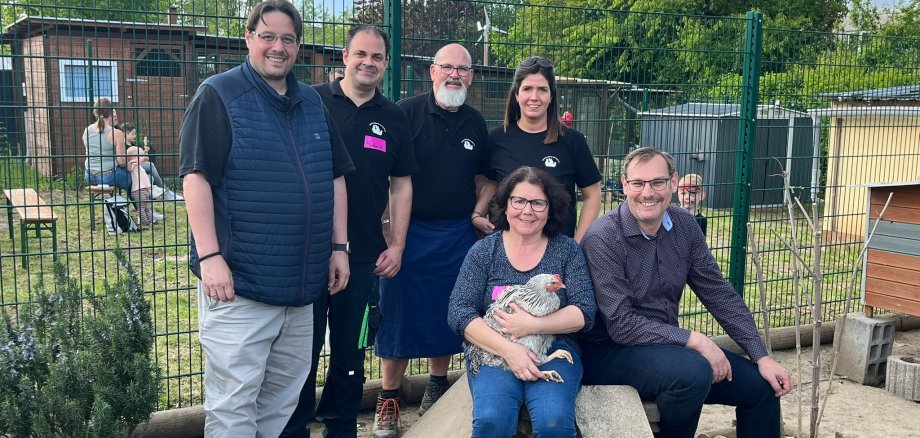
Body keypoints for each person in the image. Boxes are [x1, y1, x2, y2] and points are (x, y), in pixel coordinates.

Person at [178, 1, 355, 435]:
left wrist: (338, 248)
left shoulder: (313, 101)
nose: (278, 47)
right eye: (268, 36)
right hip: (241, 288)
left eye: (288, 39)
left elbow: (334, 178)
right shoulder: (219, 95)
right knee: (233, 405)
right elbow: (195, 178)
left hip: (301, 291)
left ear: (298, 45)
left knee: (281, 404)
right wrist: (210, 257)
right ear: (249, 39)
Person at [579, 147, 792, 438]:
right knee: (691, 373)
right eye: (638, 183)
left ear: (673, 182)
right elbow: (621, 326)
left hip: (664, 346)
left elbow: (718, 293)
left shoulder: (685, 225)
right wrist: (697, 340)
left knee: (761, 387)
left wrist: (762, 356)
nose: (648, 193)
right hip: (607, 352)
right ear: (624, 185)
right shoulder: (603, 237)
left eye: (657, 182)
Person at [282, 24, 416, 438]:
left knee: (350, 352)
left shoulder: (393, 117)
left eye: (377, 57)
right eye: (361, 54)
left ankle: (341, 429)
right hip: (306, 251)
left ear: (385, 64)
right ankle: (294, 428)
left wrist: (397, 244)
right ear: (344, 57)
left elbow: (402, 183)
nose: (368, 63)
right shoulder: (308, 101)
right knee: (299, 353)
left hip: (362, 256)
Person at [372, 43, 496, 437]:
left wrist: (478, 212)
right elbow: (386, 176)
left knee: (450, 311)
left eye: (463, 69)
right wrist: (390, 231)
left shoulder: (477, 123)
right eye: (447, 67)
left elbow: (485, 177)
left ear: (471, 76)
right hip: (407, 235)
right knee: (398, 314)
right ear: (432, 71)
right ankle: (388, 400)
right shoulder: (403, 114)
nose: (454, 75)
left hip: (457, 235)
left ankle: (437, 388)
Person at [448, 166, 596, 437]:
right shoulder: (484, 251)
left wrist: (531, 325)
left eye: (538, 203)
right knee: (492, 419)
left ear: (550, 209)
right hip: (493, 348)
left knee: (554, 422)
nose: (527, 211)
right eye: (519, 201)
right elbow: (459, 312)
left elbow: (584, 312)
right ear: (505, 205)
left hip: (554, 346)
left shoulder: (567, 251)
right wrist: (509, 350)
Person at [488, 56, 602, 242]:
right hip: (508, 252)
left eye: (542, 89)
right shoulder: (497, 139)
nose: (534, 97)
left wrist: (578, 244)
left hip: (558, 252)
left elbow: (593, 194)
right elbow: (488, 184)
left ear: (551, 96)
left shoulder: (573, 141)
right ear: (517, 95)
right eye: (527, 89)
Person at [120, 122, 184, 202]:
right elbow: (131, 160)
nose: (135, 136)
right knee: (151, 165)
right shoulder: (122, 145)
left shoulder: (133, 144)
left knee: (151, 177)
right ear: (125, 133)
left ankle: (150, 203)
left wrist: (144, 152)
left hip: (139, 167)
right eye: (133, 134)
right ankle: (166, 193)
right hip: (131, 168)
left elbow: (142, 158)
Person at [83, 97, 131, 190]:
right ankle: (140, 204)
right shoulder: (116, 133)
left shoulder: (87, 130)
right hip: (108, 176)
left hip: (89, 176)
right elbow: (121, 162)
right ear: (110, 112)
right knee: (135, 177)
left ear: (95, 112)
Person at [125, 145, 154, 226]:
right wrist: (131, 162)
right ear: (134, 157)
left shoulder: (140, 166)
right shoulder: (133, 165)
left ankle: (150, 220)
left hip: (145, 189)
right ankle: (144, 222)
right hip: (138, 190)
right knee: (141, 207)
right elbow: (129, 168)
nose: (143, 157)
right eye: (141, 155)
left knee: (147, 206)